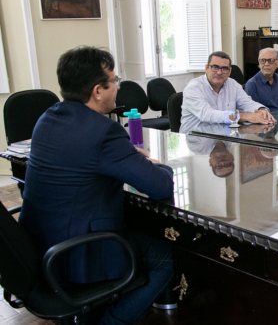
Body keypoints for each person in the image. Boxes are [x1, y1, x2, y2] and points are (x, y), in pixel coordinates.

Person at [19, 46, 174, 325]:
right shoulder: (103, 131)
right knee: (165, 259)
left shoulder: (47, 118)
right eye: (114, 81)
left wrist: (124, 158)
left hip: (38, 245)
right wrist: (154, 163)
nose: (118, 87)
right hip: (79, 253)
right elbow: (160, 186)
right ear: (97, 90)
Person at [180, 51, 276, 134]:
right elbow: (207, 115)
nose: (219, 72)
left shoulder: (232, 84)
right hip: (196, 143)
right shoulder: (193, 88)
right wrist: (245, 116)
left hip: (223, 138)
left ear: (229, 71)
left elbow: (247, 103)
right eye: (215, 67)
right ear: (206, 68)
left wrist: (262, 110)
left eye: (224, 68)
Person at [245, 48, 278, 112]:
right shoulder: (252, 84)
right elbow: (254, 111)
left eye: (270, 60)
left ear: (277, 63)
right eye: (263, 60)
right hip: (266, 119)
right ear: (259, 63)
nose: (266, 64)